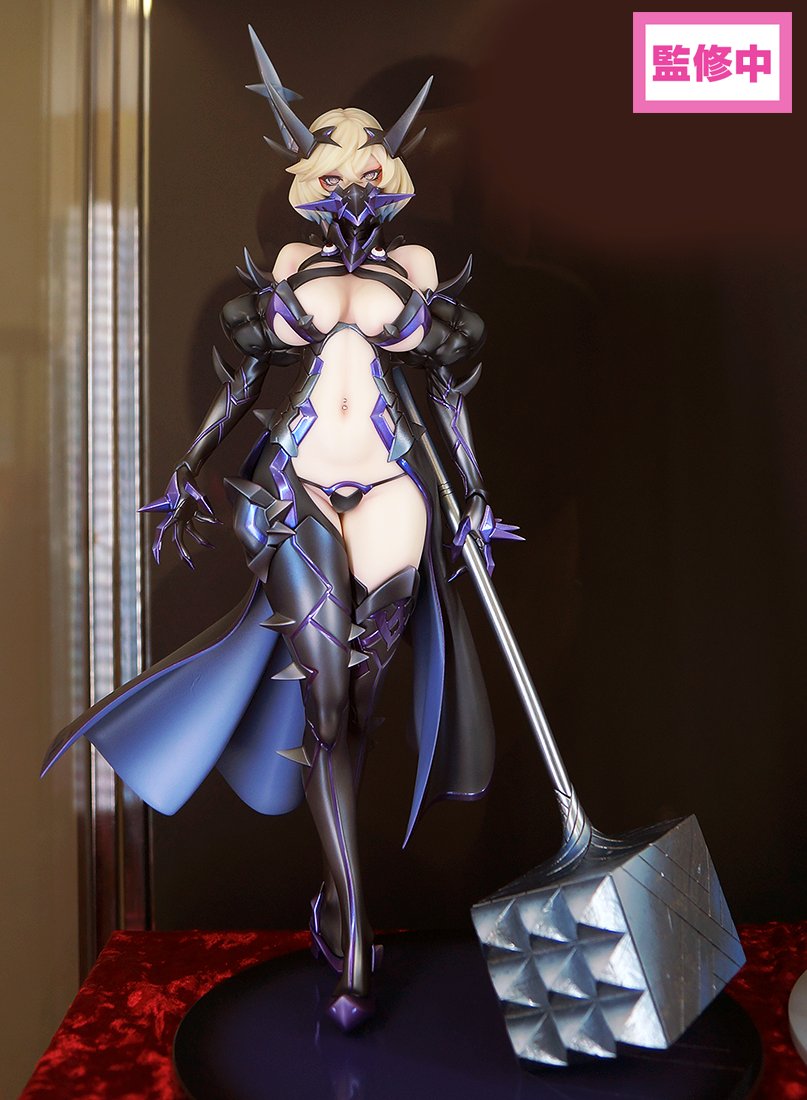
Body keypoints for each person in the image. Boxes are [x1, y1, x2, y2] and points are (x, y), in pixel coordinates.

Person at [41, 27, 518, 1031]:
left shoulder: (419, 262)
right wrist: (189, 467)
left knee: (358, 710)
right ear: (304, 173)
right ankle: (353, 928)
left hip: (392, 488)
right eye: (331, 156)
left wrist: (473, 494)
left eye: (368, 154)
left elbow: (448, 394)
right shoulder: (291, 262)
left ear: (391, 169)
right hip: (298, 486)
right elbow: (242, 381)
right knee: (325, 709)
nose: (351, 169)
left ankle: (339, 900)